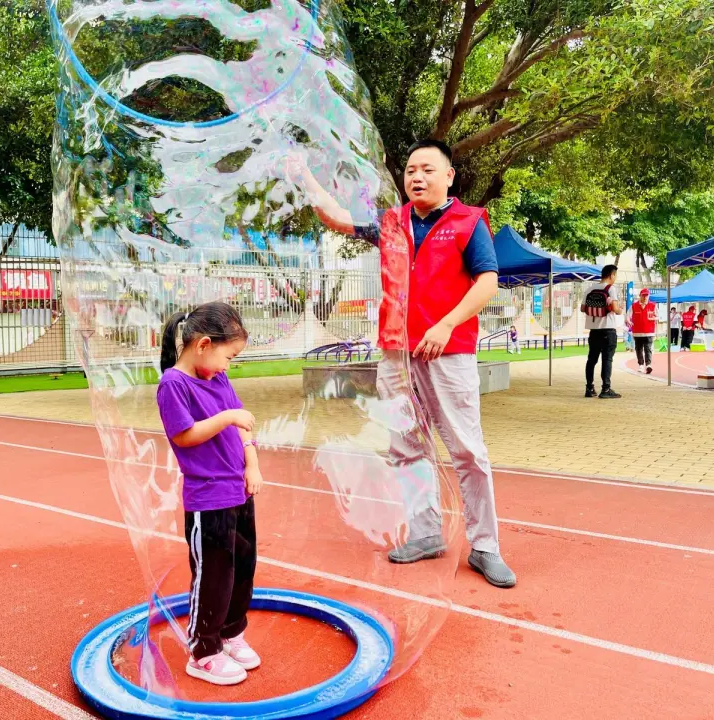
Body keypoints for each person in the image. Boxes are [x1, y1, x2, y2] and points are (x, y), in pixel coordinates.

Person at [289, 139, 516, 588]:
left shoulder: (468, 222)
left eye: (428, 169)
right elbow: (336, 216)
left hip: (449, 352)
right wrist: (305, 177)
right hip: (396, 353)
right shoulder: (391, 222)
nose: (417, 177)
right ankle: (425, 533)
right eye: (411, 170)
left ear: (449, 175)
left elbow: (488, 281)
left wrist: (446, 324)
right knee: (407, 448)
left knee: (467, 450)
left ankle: (485, 546)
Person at [156, 302, 263, 686]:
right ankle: (203, 651)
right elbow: (184, 435)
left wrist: (252, 463)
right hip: (209, 498)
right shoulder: (174, 384)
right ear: (203, 345)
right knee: (214, 575)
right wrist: (227, 417)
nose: (227, 367)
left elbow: (242, 429)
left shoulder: (218, 379)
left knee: (243, 567)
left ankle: (231, 633)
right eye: (228, 357)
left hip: (239, 491)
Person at [581, 265, 624, 398]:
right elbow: (615, 309)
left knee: (591, 360)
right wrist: (619, 310)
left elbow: (582, 308)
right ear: (611, 275)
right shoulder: (611, 289)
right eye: (615, 275)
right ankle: (605, 389)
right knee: (607, 359)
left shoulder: (590, 289)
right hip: (608, 330)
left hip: (593, 331)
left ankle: (589, 388)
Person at [628, 288, 657, 374]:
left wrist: (654, 318)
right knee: (638, 349)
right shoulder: (634, 306)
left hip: (649, 331)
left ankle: (648, 365)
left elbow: (658, 316)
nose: (645, 297)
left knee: (648, 348)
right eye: (643, 295)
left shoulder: (653, 305)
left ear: (649, 296)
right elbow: (628, 315)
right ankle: (641, 365)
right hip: (637, 332)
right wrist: (628, 321)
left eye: (646, 296)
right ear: (640, 296)